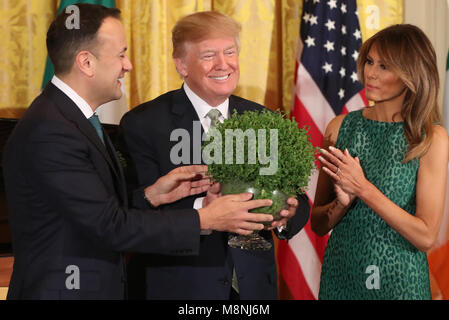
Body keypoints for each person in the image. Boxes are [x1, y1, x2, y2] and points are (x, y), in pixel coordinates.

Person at [3, 4, 275, 300]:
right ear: (86, 62)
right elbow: (111, 227)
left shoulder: (72, 120)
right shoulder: (52, 130)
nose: (128, 65)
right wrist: (206, 218)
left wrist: (150, 196)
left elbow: (97, 212)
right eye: (120, 54)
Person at [120, 11, 310, 300]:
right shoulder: (144, 123)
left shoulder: (265, 118)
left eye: (230, 52)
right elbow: (131, 212)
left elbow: (298, 197)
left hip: (253, 290)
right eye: (209, 55)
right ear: (181, 65)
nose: (224, 64)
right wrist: (203, 210)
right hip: (181, 289)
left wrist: (287, 215)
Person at [311, 24, 449, 299]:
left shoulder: (431, 138)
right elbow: (318, 224)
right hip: (342, 276)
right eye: (370, 61)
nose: (370, 73)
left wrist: (363, 189)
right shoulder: (340, 127)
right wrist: (342, 203)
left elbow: (425, 236)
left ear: (412, 74)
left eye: (384, 66)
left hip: (400, 282)